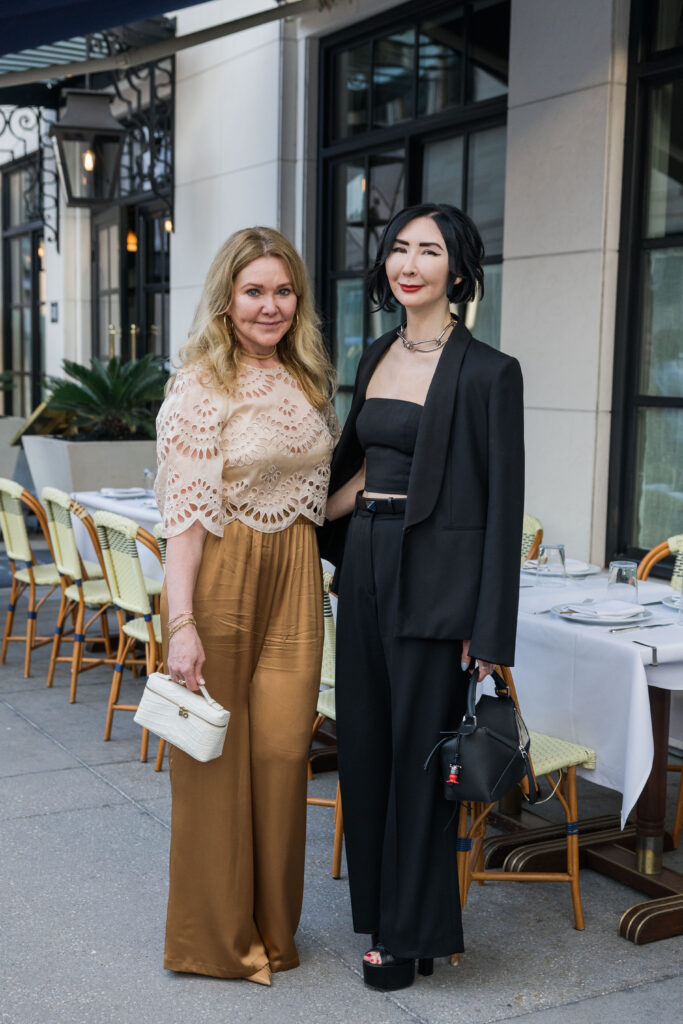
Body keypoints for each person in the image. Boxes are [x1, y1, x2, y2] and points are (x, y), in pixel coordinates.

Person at [321, 202, 524, 990]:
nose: (408, 264)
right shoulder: (375, 352)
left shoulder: (489, 372)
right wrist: (292, 515)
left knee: (418, 759)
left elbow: (502, 510)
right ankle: (384, 912)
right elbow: (360, 472)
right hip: (365, 564)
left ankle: (407, 938)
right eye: (398, 248)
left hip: (437, 584)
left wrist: (488, 630)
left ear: (459, 269)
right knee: (366, 749)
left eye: (429, 251)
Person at [154, 226, 338, 985]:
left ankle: (273, 930)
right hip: (223, 573)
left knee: (284, 753)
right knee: (213, 759)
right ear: (227, 300)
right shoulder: (202, 384)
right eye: (254, 291)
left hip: (295, 573)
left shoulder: (307, 379)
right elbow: (185, 521)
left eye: (283, 291)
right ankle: (215, 942)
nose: (270, 306)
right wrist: (181, 625)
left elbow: (316, 497)